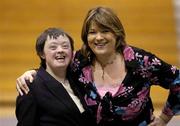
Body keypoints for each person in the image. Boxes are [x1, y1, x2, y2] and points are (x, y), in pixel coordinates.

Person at [16, 7, 180, 126]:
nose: (98, 37)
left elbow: (177, 80)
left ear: (116, 33)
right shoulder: (79, 60)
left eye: (105, 31)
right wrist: (32, 73)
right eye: (93, 32)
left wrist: (164, 119)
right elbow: (55, 62)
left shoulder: (141, 61)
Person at [15, 28, 96, 126]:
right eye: (53, 47)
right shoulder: (30, 87)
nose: (60, 50)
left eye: (65, 46)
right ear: (42, 54)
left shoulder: (78, 79)